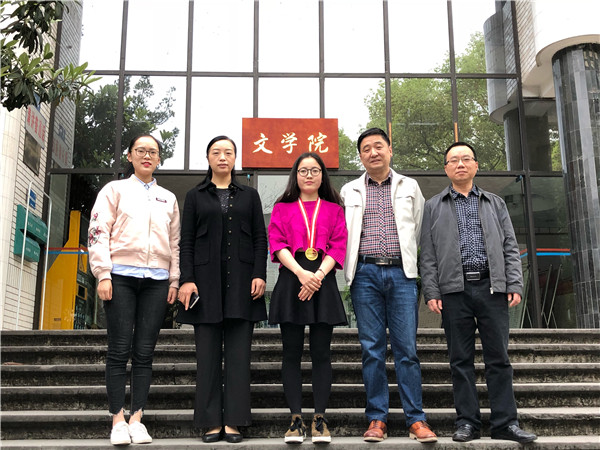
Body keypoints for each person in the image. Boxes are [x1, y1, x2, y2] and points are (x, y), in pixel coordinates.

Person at [419, 141, 538, 444]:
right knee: (460, 361)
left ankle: (505, 423)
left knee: (499, 359)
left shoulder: (494, 203)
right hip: (453, 291)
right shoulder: (433, 206)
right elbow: (428, 254)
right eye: (453, 160)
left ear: (475, 165)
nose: (460, 164)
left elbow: (510, 245)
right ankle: (467, 423)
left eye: (465, 159)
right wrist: (431, 290)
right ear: (446, 168)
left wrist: (514, 283)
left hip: (492, 288)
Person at [340, 128, 437, 443]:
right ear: (360, 156)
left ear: (390, 150)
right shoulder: (349, 190)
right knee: (372, 349)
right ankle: (377, 418)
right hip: (364, 274)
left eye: (378, 146)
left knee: (407, 349)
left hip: (401, 274)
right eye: (366, 148)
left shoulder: (410, 186)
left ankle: (416, 420)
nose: (373, 152)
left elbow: (419, 229)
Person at [88, 134, 180, 446]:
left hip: (157, 281)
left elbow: (176, 243)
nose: (146, 156)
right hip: (120, 277)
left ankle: (137, 418)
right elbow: (98, 231)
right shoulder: (114, 190)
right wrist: (103, 273)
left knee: (144, 352)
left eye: (152, 151)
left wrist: (174, 280)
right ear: (130, 156)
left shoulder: (168, 198)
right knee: (118, 350)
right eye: (140, 150)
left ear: (159, 159)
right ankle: (117, 419)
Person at [176, 136, 267, 444]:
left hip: (243, 283)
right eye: (216, 152)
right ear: (208, 158)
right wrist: (187, 278)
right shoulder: (195, 195)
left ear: (235, 158)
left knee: (239, 357)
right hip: (205, 285)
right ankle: (210, 421)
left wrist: (259, 274)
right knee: (207, 357)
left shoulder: (249, 196)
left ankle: (235, 421)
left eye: (228, 152)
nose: (222, 157)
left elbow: (260, 238)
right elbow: (187, 240)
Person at [268, 152, 348, 444]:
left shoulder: (334, 209)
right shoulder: (282, 208)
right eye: (303, 170)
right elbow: (277, 243)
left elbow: (338, 245)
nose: (309, 175)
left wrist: (317, 277)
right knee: (290, 353)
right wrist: (302, 274)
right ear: (296, 175)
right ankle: (295, 419)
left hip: (322, 280)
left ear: (322, 175)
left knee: (321, 353)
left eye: (315, 170)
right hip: (293, 277)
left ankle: (319, 419)